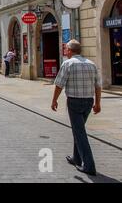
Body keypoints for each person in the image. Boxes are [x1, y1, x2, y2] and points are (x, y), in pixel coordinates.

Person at [51, 40, 101, 176]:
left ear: (71, 51)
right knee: (78, 129)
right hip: (88, 102)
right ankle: (76, 158)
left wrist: (54, 100)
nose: (65, 52)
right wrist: (98, 103)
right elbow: (98, 86)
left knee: (79, 132)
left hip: (74, 102)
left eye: (66, 49)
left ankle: (89, 165)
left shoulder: (68, 64)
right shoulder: (92, 64)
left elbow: (59, 84)